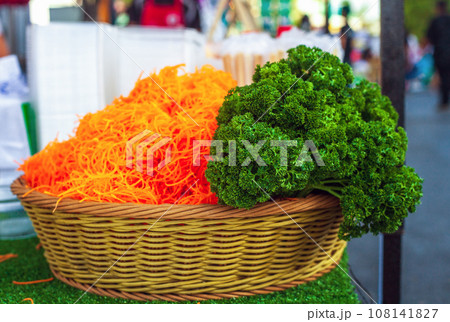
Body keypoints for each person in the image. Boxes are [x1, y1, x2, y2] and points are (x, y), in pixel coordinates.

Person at [427, 1, 450, 110]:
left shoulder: (435, 21)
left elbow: (430, 38)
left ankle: (445, 100)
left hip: (440, 52)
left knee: (443, 76)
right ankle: (445, 99)